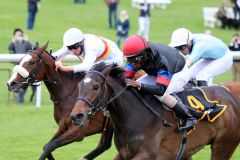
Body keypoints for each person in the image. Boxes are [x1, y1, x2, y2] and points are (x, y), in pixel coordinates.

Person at [123, 35, 197, 132]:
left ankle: (189, 117)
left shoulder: (161, 60)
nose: (133, 64)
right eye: (130, 60)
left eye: (136, 60)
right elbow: (125, 78)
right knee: (133, 87)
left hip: (178, 72)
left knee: (160, 96)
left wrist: (140, 85)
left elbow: (161, 90)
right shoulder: (136, 57)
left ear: (145, 54)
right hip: (156, 71)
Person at [52, 28, 123, 73]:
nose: (73, 50)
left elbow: (86, 67)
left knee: (92, 71)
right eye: (70, 47)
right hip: (99, 56)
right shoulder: (72, 41)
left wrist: (64, 68)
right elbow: (57, 54)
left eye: (75, 47)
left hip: (115, 58)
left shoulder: (91, 46)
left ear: (82, 42)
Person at [8, 28, 34, 103]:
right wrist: (12, 42)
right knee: (19, 82)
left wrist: (26, 40)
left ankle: (21, 96)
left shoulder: (25, 43)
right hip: (17, 66)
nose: (19, 36)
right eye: (17, 35)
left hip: (26, 67)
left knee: (25, 82)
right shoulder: (14, 43)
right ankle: (20, 97)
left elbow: (32, 49)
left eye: (20, 35)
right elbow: (9, 49)